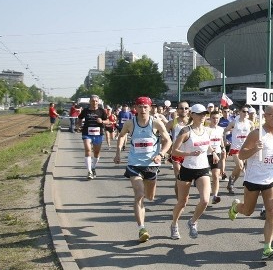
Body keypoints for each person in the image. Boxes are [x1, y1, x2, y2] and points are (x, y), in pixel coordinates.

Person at [228, 104, 273, 260]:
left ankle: (267, 248)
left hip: (271, 178)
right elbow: (241, 154)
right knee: (248, 211)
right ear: (265, 116)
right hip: (253, 178)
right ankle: (235, 207)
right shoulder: (256, 134)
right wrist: (254, 149)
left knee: (272, 211)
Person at [113, 96, 172, 242]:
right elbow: (121, 136)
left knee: (150, 197)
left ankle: (143, 210)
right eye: (140, 106)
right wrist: (118, 153)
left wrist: (161, 154)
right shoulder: (130, 123)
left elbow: (168, 140)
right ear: (136, 108)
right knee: (139, 194)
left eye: (145, 106)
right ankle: (141, 228)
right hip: (134, 164)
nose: (143, 109)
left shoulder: (156, 123)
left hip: (151, 165)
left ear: (150, 108)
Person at [169, 104, 213, 240]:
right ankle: (174, 225)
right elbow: (174, 151)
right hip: (187, 168)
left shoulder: (207, 130)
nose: (203, 116)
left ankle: (192, 221)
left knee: (205, 200)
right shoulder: (185, 131)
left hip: (203, 168)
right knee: (182, 202)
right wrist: (190, 153)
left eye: (204, 114)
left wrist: (214, 152)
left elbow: (208, 145)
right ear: (192, 115)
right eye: (199, 114)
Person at [77, 95, 109, 179]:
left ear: (98, 102)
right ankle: (89, 171)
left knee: (96, 153)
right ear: (90, 102)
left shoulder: (101, 111)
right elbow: (79, 118)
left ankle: (93, 167)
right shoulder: (85, 111)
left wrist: (102, 121)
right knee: (88, 150)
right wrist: (79, 125)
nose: (94, 102)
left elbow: (108, 120)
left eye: (96, 101)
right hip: (87, 133)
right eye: (92, 101)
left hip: (98, 134)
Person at [225, 107, 254, 193]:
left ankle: (232, 183)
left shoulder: (250, 123)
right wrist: (225, 140)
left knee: (242, 168)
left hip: (246, 148)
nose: (246, 113)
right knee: (240, 166)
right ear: (240, 112)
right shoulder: (234, 122)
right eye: (244, 111)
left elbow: (253, 134)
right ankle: (231, 178)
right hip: (235, 148)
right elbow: (225, 131)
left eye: (247, 112)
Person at [207, 109, 227, 205]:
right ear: (210, 118)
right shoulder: (206, 129)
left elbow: (221, 139)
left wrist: (223, 148)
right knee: (205, 177)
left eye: (217, 118)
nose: (215, 120)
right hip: (207, 154)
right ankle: (205, 195)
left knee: (215, 176)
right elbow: (206, 143)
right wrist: (213, 151)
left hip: (217, 154)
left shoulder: (220, 129)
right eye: (213, 118)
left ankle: (215, 195)